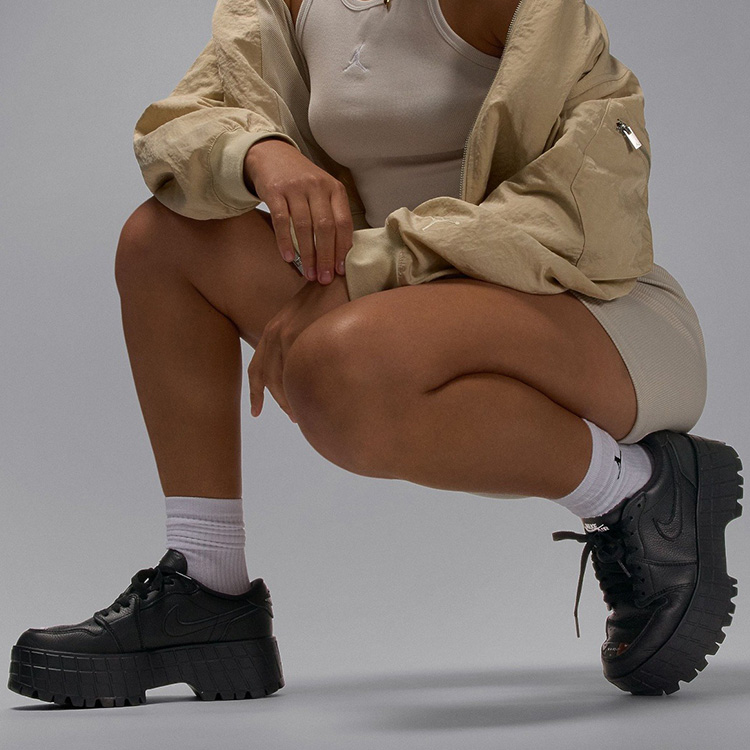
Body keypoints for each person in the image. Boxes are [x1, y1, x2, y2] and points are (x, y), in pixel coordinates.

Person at [8, 0, 743, 707]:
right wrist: (260, 152)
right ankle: (207, 586)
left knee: (339, 365)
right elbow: (184, 124)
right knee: (162, 242)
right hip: (394, 306)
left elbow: (582, 214)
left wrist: (366, 270)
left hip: (590, 310)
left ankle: (636, 489)